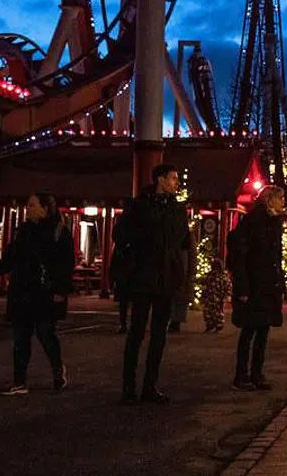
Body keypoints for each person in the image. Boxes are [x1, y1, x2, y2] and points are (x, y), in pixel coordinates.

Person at [113, 164, 191, 405]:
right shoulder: (139, 206)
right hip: (143, 275)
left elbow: (183, 240)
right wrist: (148, 235)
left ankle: (150, 385)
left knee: (159, 335)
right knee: (136, 333)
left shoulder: (177, 209)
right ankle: (129, 387)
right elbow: (121, 235)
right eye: (173, 178)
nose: (177, 183)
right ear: (160, 179)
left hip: (166, 277)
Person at [0, 194, 74, 396]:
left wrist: (60, 290)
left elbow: (65, 264)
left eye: (32, 205)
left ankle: (57, 368)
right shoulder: (23, 232)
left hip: (45, 291)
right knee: (21, 337)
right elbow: (10, 258)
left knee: (46, 333)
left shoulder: (58, 232)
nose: (27, 208)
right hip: (22, 289)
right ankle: (19, 381)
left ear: (45, 209)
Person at [228, 185, 286, 390]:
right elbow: (240, 256)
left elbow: (275, 257)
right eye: (280, 198)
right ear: (269, 200)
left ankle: (256, 373)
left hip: (267, 284)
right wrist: (243, 287)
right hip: (255, 284)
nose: (283, 202)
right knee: (250, 330)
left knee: (263, 330)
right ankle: (242, 374)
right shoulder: (253, 222)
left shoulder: (273, 223)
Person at [199, 257, 231, 333]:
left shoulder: (223, 277)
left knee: (218, 313)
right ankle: (209, 325)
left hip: (218, 298)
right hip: (209, 297)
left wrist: (227, 295)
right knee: (208, 312)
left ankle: (218, 326)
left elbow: (228, 287)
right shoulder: (210, 275)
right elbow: (205, 285)